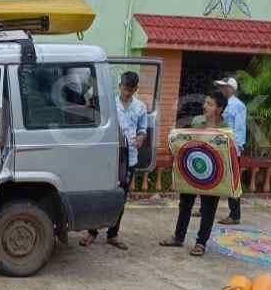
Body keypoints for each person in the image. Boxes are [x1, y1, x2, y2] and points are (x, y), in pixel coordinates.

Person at [160, 90, 232, 257]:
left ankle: (201, 243)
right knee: (185, 205)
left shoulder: (225, 130)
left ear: (219, 109)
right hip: (192, 169)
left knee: (208, 209)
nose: (204, 106)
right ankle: (178, 237)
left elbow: (226, 155)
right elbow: (188, 143)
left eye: (209, 104)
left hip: (212, 174)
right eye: (205, 103)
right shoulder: (197, 121)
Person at [80, 72, 147, 250]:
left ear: (136, 89)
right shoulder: (108, 104)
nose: (127, 92)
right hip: (108, 157)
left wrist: (141, 137)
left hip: (129, 158)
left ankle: (113, 234)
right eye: (125, 88)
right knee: (99, 194)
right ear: (120, 86)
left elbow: (142, 129)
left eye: (131, 89)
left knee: (121, 197)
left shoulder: (140, 107)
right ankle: (91, 232)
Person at [215, 77, 247, 225]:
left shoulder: (238, 106)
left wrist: (237, 148)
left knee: (232, 182)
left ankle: (235, 215)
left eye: (223, 87)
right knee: (213, 176)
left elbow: (240, 128)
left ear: (230, 89)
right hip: (218, 146)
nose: (221, 89)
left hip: (231, 149)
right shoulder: (220, 104)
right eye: (220, 87)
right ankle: (204, 209)